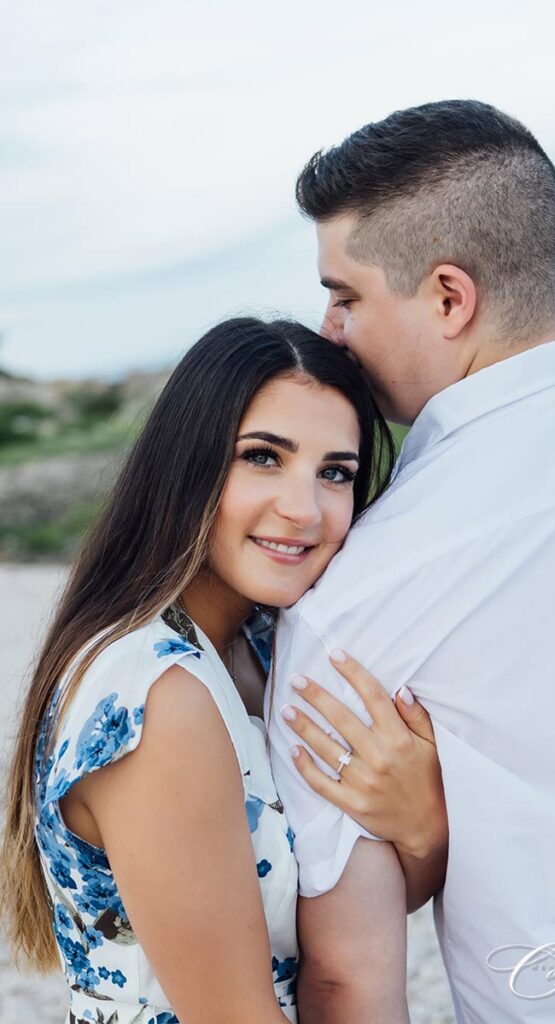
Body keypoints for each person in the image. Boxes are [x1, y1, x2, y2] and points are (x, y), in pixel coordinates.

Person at [269, 100, 555, 1023]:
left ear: (449, 298)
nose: (330, 329)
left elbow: (350, 978)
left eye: (345, 296)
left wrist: (445, 829)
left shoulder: (356, 596)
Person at [0, 317, 448, 1024]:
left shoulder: (269, 645)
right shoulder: (155, 695)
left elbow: (352, 900)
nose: (303, 510)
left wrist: (419, 823)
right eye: (263, 457)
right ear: (187, 463)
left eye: (335, 472)